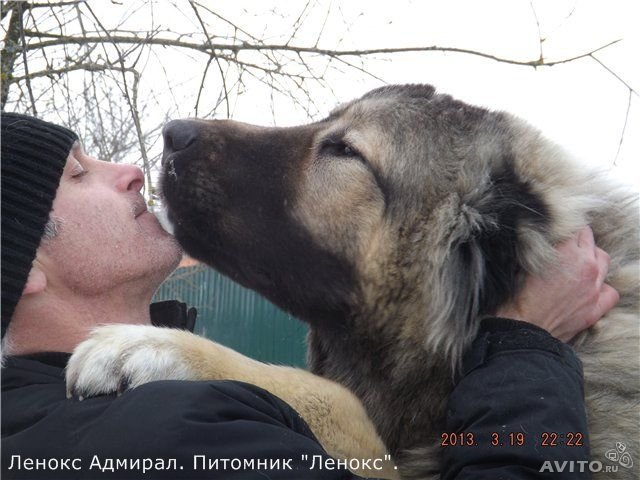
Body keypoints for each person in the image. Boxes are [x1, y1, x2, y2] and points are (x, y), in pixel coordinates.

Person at [1, 113, 618, 479]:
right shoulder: (156, 437)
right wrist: (526, 347)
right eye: (78, 174)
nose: (128, 170)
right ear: (24, 266)